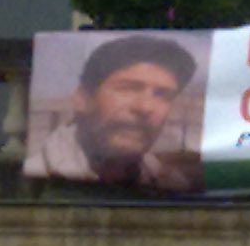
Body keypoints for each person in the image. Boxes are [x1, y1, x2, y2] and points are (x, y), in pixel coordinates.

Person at [27, 35, 201, 191]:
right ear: (82, 98)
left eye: (163, 95)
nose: (145, 108)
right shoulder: (37, 175)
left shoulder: (172, 184)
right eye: (128, 88)